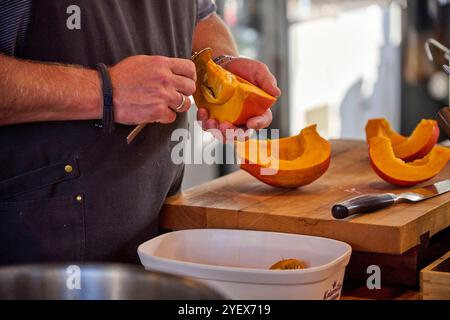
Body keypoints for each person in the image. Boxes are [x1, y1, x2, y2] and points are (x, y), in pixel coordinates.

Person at [0, 0, 280, 264]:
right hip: (42, 252)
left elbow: (201, 17)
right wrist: (105, 90)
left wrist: (221, 68)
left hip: (160, 228)